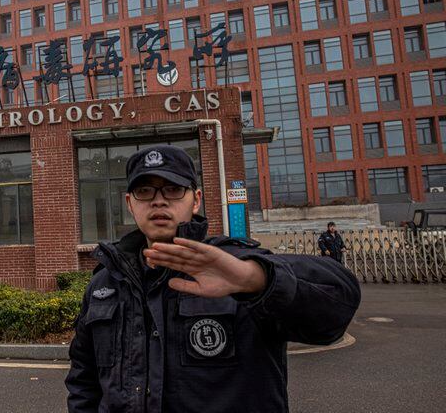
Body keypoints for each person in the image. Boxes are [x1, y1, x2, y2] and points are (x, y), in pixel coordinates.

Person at [66, 145, 361, 413]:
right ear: (130, 204)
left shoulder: (236, 266)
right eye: (145, 192)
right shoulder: (106, 283)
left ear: (195, 200)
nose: (158, 202)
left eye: (172, 189)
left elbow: (336, 307)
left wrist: (256, 280)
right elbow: (84, 380)